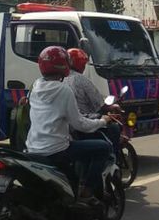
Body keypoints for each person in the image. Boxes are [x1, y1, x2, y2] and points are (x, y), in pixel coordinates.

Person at [26, 46, 113, 203]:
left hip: (32, 148)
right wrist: (102, 121)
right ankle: (87, 191)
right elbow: (79, 123)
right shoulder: (64, 90)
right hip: (56, 149)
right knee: (104, 148)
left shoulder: (35, 86)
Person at [63, 48, 121, 157]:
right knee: (114, 128)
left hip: (66, 128)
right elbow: (100, 105)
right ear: (81, 64)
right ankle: (112, 157)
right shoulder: (82, 80)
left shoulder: (59, 80)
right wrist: (111, 107)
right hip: (83, 122)